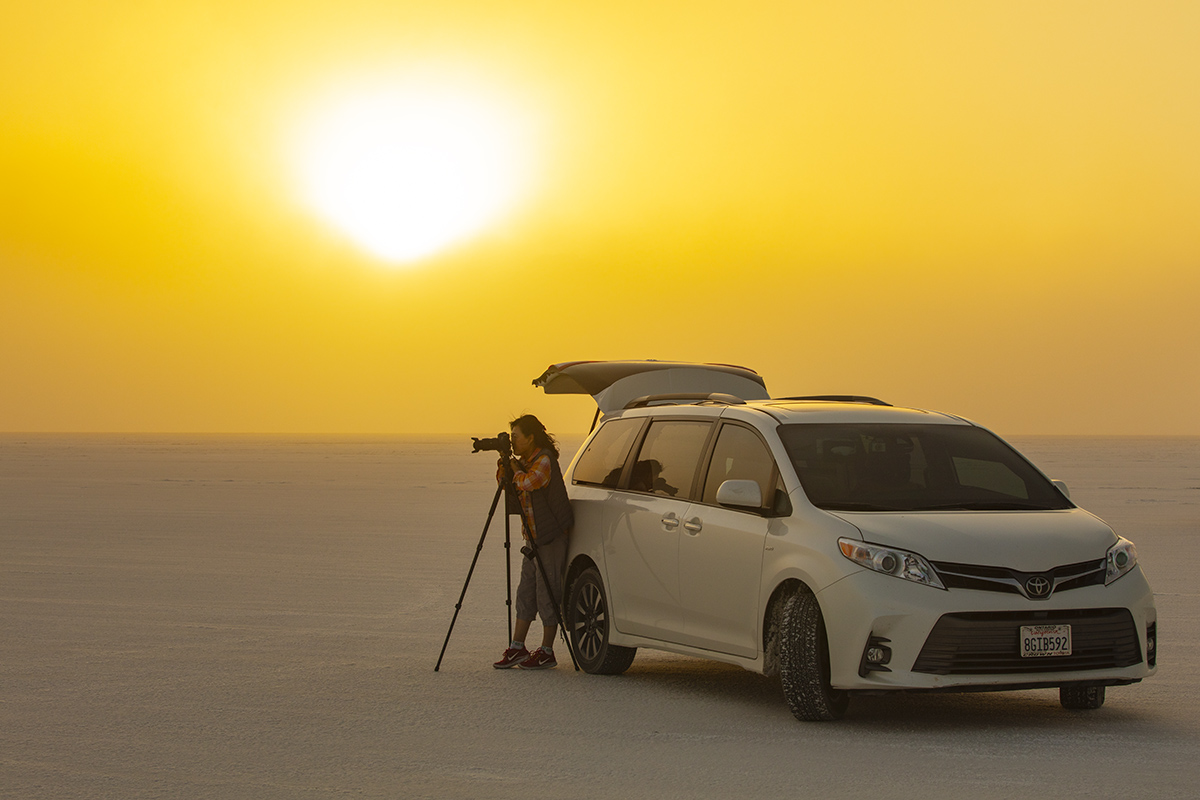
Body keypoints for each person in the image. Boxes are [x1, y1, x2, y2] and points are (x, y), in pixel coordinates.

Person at [493, 414, 574, 670]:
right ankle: (518, 646)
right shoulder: (526, 462)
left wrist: (515, 470)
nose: (513, 442)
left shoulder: (544, 460)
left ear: (530, 437)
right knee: (525, 592)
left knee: (547, 592)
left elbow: (530, 483)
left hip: (549, 538)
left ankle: (547, 650)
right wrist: (505, 470)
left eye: (516, 437)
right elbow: (512, 488)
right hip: (532, 538)